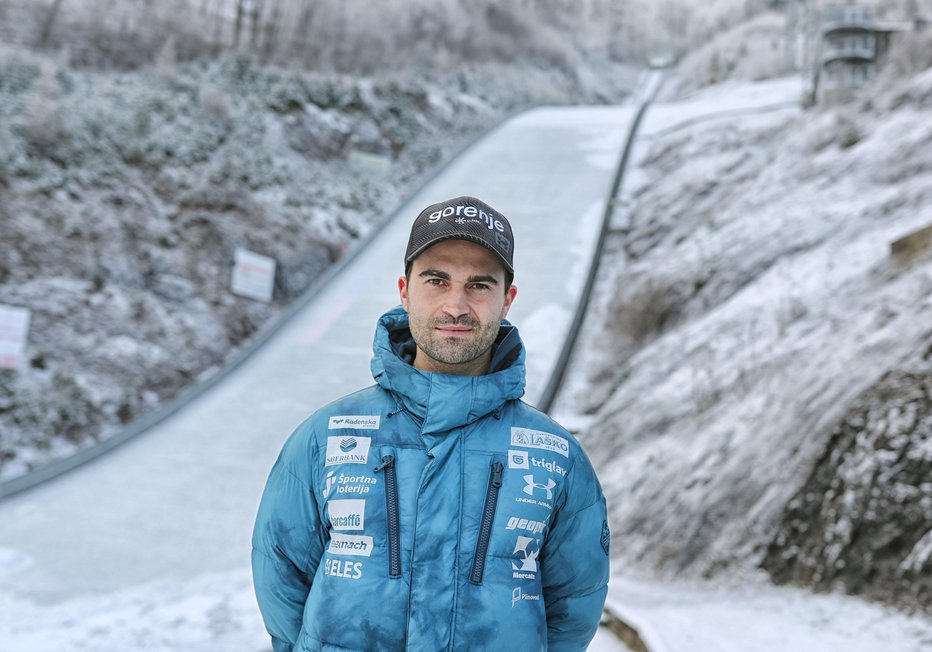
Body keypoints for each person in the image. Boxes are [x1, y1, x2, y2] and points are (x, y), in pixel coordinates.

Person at [252, 196, 610, 651]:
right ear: (405, 290)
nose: (456, 305)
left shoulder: (555, 456)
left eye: (479, 285)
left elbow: (574, 607)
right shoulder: (326, 436)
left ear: (507, 300)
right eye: (437, 280)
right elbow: (282, 584)